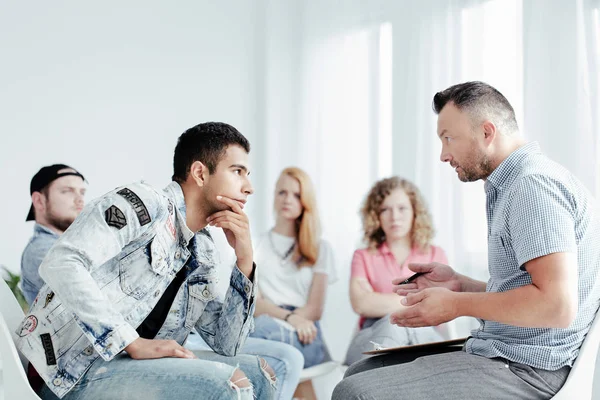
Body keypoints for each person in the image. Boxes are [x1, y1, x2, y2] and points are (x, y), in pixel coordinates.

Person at [333, 81, 600, 400]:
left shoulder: (532, 187)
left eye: (448, 138)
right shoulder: (516, 183)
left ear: (487, 132)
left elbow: (556, 306)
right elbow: (531, 292)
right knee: (361, 372)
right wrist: (460, 286)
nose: (444, 155)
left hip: (528, 369)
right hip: (509, 352)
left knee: (355, 391)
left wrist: (456, 306)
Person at [16, 122, 275, 400]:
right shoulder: (144, 204)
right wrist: (131, 342)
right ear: (200, 173)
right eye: (237, 171)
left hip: (130, 369)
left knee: (261, 374)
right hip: (70, 372)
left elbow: (227, 344)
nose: (249, 187)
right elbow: (61, 262)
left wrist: (245, 261)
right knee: (231, 383)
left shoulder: (204, 250)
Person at [344, 176, 448, 366]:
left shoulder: (435, 254)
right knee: (393, 328)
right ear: (376, 215)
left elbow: (442, 304)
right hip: (372, 334)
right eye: (385, 209)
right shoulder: (363, 255)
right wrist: (419, 300)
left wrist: (378, 301)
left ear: (415, 212)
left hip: (424, 334)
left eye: (402, 208)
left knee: (403, 330)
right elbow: (361, 304)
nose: (394, 216)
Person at [250, 167, 337, 370]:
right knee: (259, 332)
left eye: (296, 195)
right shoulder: (255, 245)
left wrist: (296, 320)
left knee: (257, 340)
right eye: (282, 192)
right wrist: (290, 318)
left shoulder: (320, 248)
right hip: (268, 322)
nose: (287, 199)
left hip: (305, 333)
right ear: (274, 196)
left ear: (305, 201)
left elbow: (315, 310)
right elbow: (257, 304)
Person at [21, 164, 87, 305]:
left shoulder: (75, 246)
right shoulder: (42, 250)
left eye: (82, 192)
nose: (80, 199)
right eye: (67, 191)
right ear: (39, 201)